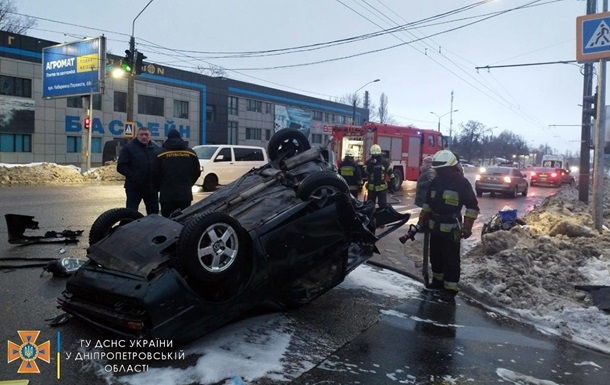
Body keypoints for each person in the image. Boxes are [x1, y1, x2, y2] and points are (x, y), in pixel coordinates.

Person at [417, 149, 479, 302]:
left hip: (452, 229)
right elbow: (427, 205)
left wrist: (467, 227)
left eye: (441, 169)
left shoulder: (461, 183)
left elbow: (472, 206)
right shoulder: (435, 182)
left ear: (450, 167)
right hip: (435, 226)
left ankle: (450, 289)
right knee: (436, 257)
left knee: (450, 259)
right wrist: (422, 220)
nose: (439, 172)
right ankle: (438, 282)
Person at [151, 129, 201, 217]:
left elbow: (153, 174)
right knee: (184, 219)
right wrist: (188, 183)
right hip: (185, 194)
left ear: (168, 138)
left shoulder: (159, 154)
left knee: (167, 220)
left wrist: (160, 187)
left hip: (167, 195)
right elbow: (197, 172)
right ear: (180, 138)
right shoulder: (191, 153)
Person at [117, 126, 160, 215]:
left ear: (150, 136)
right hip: (134, 188)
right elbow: (121, 166)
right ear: (137, 136)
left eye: (146, 135)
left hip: (151, 188)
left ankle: (152, 229)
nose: (144, 137)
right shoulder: (129, 148)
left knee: (154, 214)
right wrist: (133, 176)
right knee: (131, 213)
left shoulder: (155, 148)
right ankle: (129, 228)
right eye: (141, 135)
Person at [364, 144, 396, 208]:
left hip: (382, 189)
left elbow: (391, 173)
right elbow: (365, 172)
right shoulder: (368, 162)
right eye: (373, 155)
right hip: (371, 188)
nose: (375, 157)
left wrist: (392, 185)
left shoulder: (384, 162)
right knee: (370, 206)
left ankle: (382, 217)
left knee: (382, 205)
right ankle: (371, 217)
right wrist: (370, 165)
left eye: (376, 155)